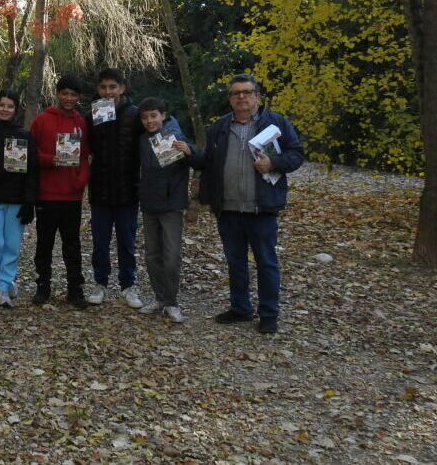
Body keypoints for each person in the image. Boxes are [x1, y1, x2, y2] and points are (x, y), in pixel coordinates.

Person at [189, 74, 305, 334]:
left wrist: (273, 163)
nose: (241, 97)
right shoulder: (219, 127)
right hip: (228, 208)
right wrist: (191, 157)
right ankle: (240, 308)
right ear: (230, 99)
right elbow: (208, 162)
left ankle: (269, 314)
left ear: (257, 96)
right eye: (236, 93)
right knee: (235, 261)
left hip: (261, 207)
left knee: (266, 262)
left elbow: (297, 154)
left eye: (247, 92)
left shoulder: (276, 123)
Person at [30, 75, 91, 309]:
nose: (68, 98)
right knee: (44, 243)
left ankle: (75, 289)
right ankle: (42, 286)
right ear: (57, 94)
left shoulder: (81, 123)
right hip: (47, 193)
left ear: (78, 97)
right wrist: (50, 159)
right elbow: (31, 154)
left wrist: (81, 180)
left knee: (72, 244)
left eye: (73, 94)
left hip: (71, 195)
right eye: (64, 93)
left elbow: (84, 155)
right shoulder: (42, 120)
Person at [135, 96, 197, 323]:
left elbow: (200, 161)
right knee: (152, 255)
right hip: (149, 204)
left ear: (163, 115)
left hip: (171, 204)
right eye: (145, 117)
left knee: (171, 255)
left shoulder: (175, 135)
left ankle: (172, 302)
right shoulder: (142, 140)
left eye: (153, 116)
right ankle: (159, 298)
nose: (149, 121)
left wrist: (189, 151)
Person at [85, 69, 144, 308]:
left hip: (127, 192)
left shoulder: (136, 114)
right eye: (103, 87)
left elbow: (155, 132)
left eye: (112, 87)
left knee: (127, 242)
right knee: (100, 243)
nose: (108, 92)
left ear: (122, 88)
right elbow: (84, 145)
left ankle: (128, 285)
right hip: (100, 190)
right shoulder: (94, 114)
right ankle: (100, 284)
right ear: (98, 90)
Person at [0, 89, 37, 308]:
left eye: (10, 106)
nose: (5, 109)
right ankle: (2, 276)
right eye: (1, 105)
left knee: (11, 245)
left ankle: (3, 287)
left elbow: (32, 171)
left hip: (17, 198)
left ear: (15, 109)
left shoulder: (24, 136)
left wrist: (29, 201)